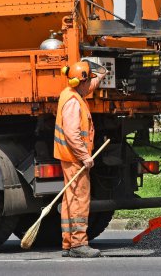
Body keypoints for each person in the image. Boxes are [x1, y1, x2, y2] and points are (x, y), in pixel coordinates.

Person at [54, 60, 107, 258]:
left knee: (70, 199)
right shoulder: (74, 103)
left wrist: (100, 75)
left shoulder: (71, 92)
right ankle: (78, 244)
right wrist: (85, 156)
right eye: (89, 80)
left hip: (69, 157)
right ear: (81, 81)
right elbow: (72, 133)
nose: (90, 84)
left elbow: (90, 85)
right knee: (79, 200)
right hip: (75, 158)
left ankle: (68, 243)